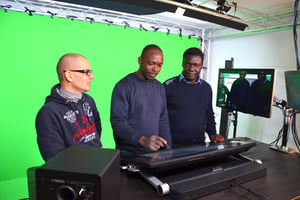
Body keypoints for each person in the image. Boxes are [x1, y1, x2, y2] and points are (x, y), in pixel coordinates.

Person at [36, 53, 102, 161]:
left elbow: (97, 132)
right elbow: (54, 158)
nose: (92, 76)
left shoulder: (89, 101)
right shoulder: (48, 113)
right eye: (86, 72)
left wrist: (98, 154)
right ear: (68, 75)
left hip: (97, 167)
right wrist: (90, 157)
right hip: (74, 174)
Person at [110, 44, 172, 153]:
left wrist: (167, 146)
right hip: (130, 154)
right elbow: (118, 122)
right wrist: (141, 140)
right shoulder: (124, 86)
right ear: (140, 60)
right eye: (151, 63)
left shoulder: (160, 87)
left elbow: (163, 119)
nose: (155, 69)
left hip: (154, 154)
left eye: (159, 65)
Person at [163, 47, 224, 147]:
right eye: (188, 64)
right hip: (172, 146)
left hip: (198, 146)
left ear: (201, 66)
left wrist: (213, 134)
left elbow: (209, 114)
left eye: (196, 65)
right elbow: (158, 116)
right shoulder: (168, 86)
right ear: (183, 63)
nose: (192, 69)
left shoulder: (206, 88)